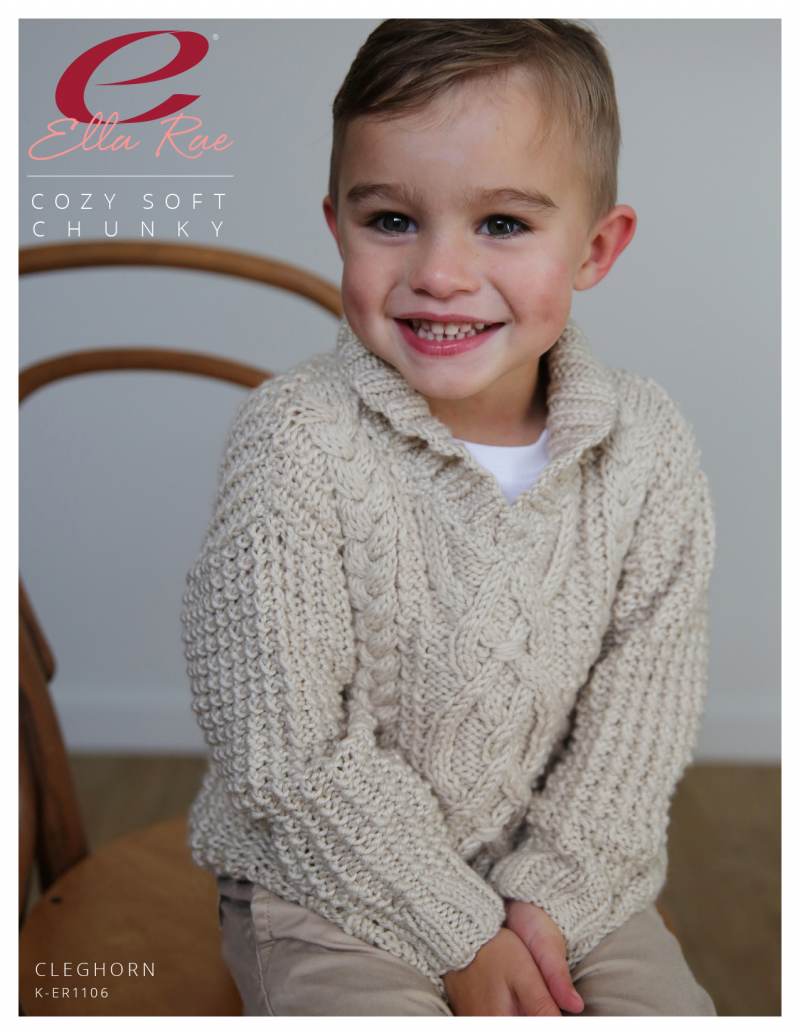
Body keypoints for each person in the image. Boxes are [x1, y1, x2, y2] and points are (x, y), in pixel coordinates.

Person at [181, 18, 718, 1016]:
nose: (439, 272)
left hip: (564, 879)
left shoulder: (644, 448)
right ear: (337, 224)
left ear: (596, 246)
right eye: (391, 219)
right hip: (326, 877)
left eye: (502, 225)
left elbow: (637, 728)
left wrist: (547, 902)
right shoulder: (295, 441)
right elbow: (284, 755)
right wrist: (460, 931)